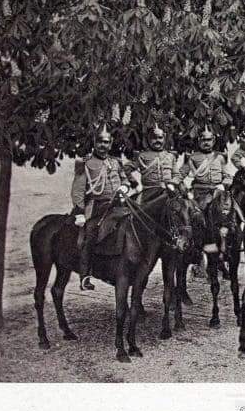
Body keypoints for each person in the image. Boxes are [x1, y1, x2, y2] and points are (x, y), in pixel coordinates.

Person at [71, 123, 131, 291]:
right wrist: (79, 212)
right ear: (94, 143)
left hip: (119, 204)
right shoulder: (85, 163)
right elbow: (77, 191)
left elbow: (125, 180)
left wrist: (124, 187)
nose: (103, 145)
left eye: (106, 142)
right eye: (100, 142)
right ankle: (85, 276)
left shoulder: (116, 162)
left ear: (110, 144)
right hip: (96, 206)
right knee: (90, 234)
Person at [174, 125, 232, 211]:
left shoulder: (219, 157)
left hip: (217, 190)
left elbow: (228, 176)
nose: (206, 143)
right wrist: (180, 186)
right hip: (199, 192)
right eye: (203, 140)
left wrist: (223, 185)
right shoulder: (193, 157)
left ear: (213, 141)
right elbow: (180, 175)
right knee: (200, 209)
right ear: (199, 141)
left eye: (209, 140)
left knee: (232, 206)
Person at [125, 122, 179, 197]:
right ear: (149, 140)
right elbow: (126, 169)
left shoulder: (170, 156)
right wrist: (134, 184)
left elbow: (177, 175)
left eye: (160, 138)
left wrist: (172, 183)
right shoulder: (142, 156)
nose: (157, 140)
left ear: (164, 139)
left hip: (168, 191)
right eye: (154, 138)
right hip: (148, 193)